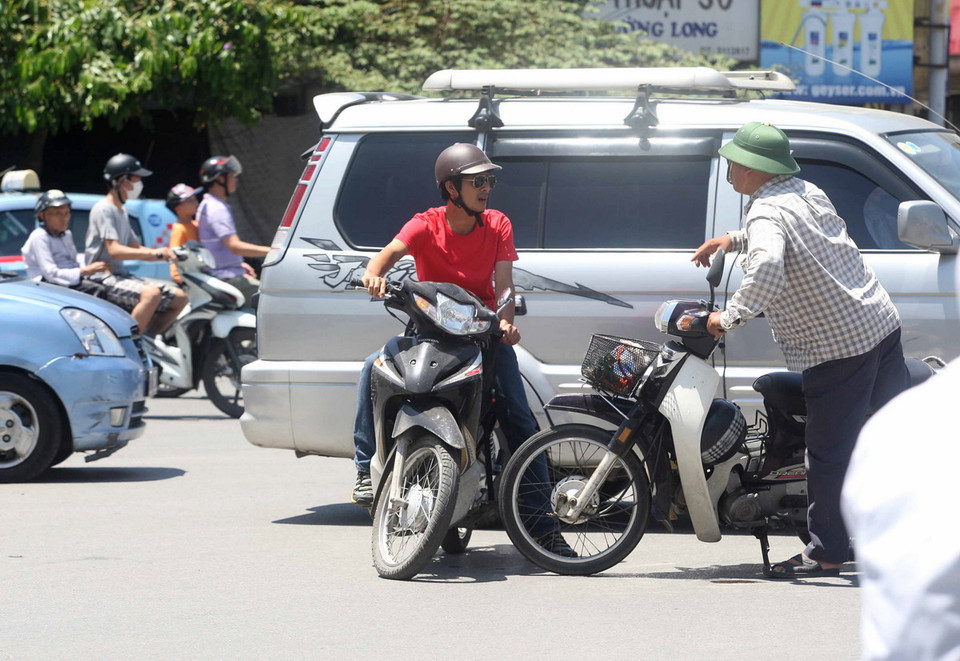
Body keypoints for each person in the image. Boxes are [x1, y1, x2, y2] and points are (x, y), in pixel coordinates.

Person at [691, 121, 908, 579]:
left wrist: (726, 318)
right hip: (878, 323)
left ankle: (827, 551)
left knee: (828, 453)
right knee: (886, 440)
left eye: (734, 163)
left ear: (753, 168)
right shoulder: (805, 191)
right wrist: (732, 239)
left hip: (837, 347)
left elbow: (769, 264)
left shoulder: (766, 212)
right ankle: (901, 533)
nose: (729, 170)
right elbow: (792, 235)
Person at [351, 142, 575, 557]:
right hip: (428, 334)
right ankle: (366, 471)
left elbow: (504, 285)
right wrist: (374, 276)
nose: (487, 187)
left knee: (520, 421)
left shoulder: (498, 224)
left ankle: (542, 527)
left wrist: (505, 318)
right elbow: (382, 259)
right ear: (452, 189)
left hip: (484, 337)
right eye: (478, 181)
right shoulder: (424, 224)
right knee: (371, 367)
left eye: (489, 180)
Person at [84, 153, 187, 334]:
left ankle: (150, 341)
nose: (139, 184)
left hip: (120, 275)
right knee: (151, 294)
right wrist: (155, 254)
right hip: (102, 276)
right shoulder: (104, 209)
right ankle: (132, 346)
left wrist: (166, 254)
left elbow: (135, 247)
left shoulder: (121, 210)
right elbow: (114, 250)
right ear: (120, 181)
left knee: (180, 298)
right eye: (136, 179)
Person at [196, 155, 269, 306]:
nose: (235, 179)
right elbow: (234, 246)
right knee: (273, 303)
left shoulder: (209, 204)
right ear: (219, 179)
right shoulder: (217, 209)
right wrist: (273, 251)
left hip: (227, 272)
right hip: (227, 277)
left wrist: (238, 264)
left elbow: (218, 246)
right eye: (231, 175)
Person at [21, 189, 110, 294]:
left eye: (66, 213)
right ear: (42, 216)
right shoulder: (39, 236)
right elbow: (51, 274)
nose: (64, 218)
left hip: (69, 282)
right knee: (99, 291)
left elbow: (73, 263)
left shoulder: (66, 234)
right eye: (57, 213)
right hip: (48, 287)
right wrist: (85, 271)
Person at [165, 183, 202, 284]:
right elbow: (174, 254)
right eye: (190, 201)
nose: (196, 203)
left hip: (199, 275)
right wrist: (177, 277)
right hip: (188, 279)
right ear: (178, 208)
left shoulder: (196, 224)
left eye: (195, 199)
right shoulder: (179, 229)